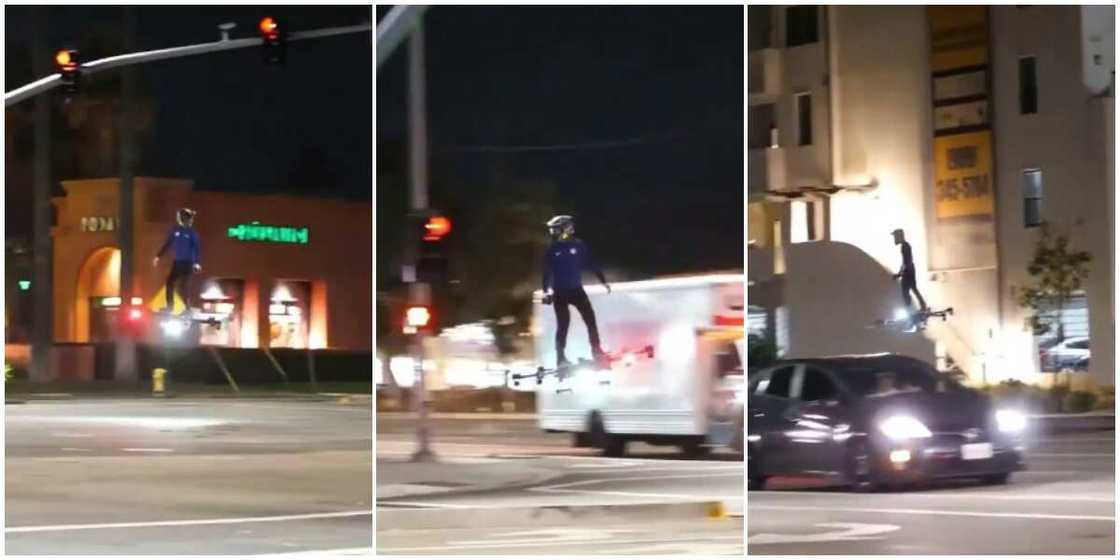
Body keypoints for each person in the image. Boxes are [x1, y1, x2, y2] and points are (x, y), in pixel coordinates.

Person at [541, 215, 610, 367]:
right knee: (563, 325)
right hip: (560, 293)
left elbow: (592, 263)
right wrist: (546, 291)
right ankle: (560, 359)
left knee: (590, 320)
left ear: (565, 229)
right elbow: (546, 272)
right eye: (551, 230)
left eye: (555, 229)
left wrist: (603, 280)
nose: (552, 233)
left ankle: (596, 351)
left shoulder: (579, 245)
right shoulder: (551, 249)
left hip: (577, 291)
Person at [153, 208, 201, 314]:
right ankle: (170, 307)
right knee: (169, 283)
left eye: (180, 217)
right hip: (177, 263)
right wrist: (158, 256)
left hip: (188, 263)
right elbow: (167, 244)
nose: (178, 219)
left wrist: (197, 263)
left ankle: (187, 308)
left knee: (184, 286)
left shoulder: (192, 233)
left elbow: (197, 248)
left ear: (185, 219)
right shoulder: (176, 231)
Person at [891, 228, 928, 314]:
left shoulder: (905, 246)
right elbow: (905, 262)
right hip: (909, 271)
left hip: (908, 272)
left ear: (900, 236)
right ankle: (921, 306)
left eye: (895, 236)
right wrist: (900, 273)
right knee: (912, 289)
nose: (895, 239)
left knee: (906, 291)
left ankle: (911, 310)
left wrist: (900, 274)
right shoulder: (905, 245)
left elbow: (906, 261)